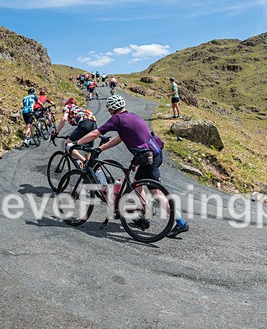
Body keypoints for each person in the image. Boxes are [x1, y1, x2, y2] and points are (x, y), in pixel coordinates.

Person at [69, 94, 189, 238]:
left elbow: (95, 133)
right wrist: (101, 149)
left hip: (147, 157)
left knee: (156, 193)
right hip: (154, 153)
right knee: (136, 184)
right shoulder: (133, 116)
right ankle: (146, 213)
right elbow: (119, 138)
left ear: (111, 110)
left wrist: (76, 144)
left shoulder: (117, 119)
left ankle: (181, 223)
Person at [53, 97, 97, 168]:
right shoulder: (80, 109)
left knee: (67, 145)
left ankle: (83, 161)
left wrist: (56, 132)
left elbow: (64, 119)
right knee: (87, 149)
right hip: (94, 125)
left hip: (84, 124)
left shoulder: (67, 107)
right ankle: (89, 170)